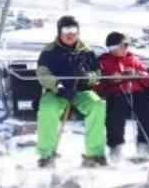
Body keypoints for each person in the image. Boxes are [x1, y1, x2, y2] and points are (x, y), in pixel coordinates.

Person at [35, 15, 107, 167]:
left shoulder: (86, 51)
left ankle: (94, 153)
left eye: (74, 29)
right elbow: (43, 74)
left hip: (81, 91)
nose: (70, 34)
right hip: (56, 92)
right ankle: (46, 154)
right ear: (59, 31)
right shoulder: (49, 51)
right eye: (66, 29)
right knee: (47, 108)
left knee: (97, 106)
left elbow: (97, 73)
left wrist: (87, 77)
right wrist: (59, 87)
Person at [95, 31, 149, 159]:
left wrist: (136, 74)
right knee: (115, 115)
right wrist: (110, 79)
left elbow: (148, 78)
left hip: (136, 92)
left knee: (147, 110)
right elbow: (97, 83)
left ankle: (144, 146)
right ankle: (116, 147)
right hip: (116, 93)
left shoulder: (132, 59)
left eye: (127, 45)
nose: (126, 48)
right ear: (113, 48)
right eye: (124, 45)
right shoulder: (103, 61)